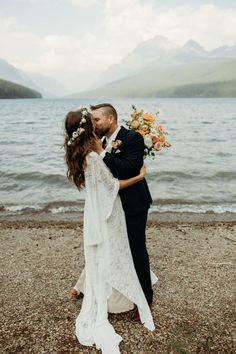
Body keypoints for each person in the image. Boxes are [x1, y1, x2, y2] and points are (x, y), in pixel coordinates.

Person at [64, 108, 154, 354]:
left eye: (97, 119)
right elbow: (111, 177)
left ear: (110, 119)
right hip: (109, 208)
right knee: (110, 248)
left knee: (135, 250)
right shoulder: (98, 145)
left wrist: (104, 153)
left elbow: (128, 167)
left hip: (131, 205)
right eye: (91, 121)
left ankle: (144, 298)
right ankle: (91, 287)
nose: (94, 124)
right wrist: (103, 151)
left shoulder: (133, 138)